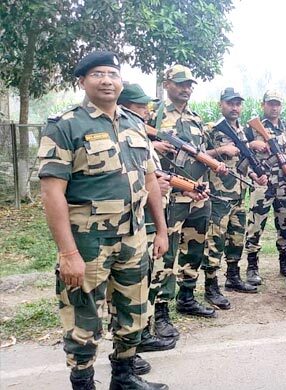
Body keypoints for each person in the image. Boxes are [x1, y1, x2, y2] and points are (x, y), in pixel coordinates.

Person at [38, 51, 168, 389]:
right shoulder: (65, 125)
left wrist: (161, 230)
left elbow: (151, 179)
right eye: (98, 74)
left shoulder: (134, 123)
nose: (107, 80)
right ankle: (83, 383)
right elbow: (52, 193)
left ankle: (123, 378)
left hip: (134, 237)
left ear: (121, 82)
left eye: (113, 73)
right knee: (84, 321)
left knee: (135, 313)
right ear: (82, 81)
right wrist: (68, 254)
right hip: (88, 243)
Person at [150, 64, 228, 322]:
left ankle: (186, 297)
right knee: (167, 252)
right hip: (169, 195)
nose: (186, 88)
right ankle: (160, 310)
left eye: (189, 84)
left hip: (198, 194)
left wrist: (216, 163)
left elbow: (202, 153)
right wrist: (154, 144)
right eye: (181, 83)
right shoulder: (154, 115)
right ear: (167, 84)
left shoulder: (196, 118)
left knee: (194, 248)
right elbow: (134, 142)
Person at [117, 83, 176, 355]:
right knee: (133, 284)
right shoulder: (121, 136)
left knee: (149, 278)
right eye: (141, 107)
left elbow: (149, 174)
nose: (148, 112)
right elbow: (121, 181)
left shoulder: (140, 135)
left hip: (151, 219)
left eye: (147, 107)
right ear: (125, 106)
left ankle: (142, 332)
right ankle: (129, 345)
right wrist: (151, 187)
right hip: (132, 222)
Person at [205, 88, 268, 300]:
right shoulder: (212, 129)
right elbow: (196, 154)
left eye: (238, 104)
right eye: (230, 103)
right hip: (219, 195)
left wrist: (253, 175)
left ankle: (233, 277)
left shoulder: (240, 131)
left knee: (236, 239)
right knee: (215, 241)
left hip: (239, 194)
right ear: (220, 104)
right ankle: (211, 285)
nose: (235, 108)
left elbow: (239, 162)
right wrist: (219, 152)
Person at [243, 90, 286, 284]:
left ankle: (284, 262)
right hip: (264, 183)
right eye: (270, 103)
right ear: (263, 105)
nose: (274, 107)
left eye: (277, 104)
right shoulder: (252, 128)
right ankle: (252, 266)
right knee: (255, 225)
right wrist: (253, 144)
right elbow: (242, 153)